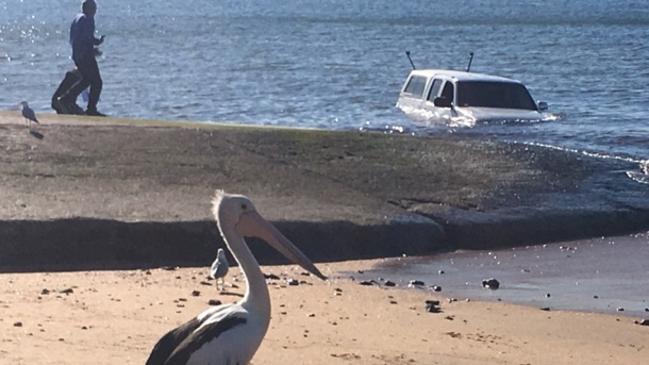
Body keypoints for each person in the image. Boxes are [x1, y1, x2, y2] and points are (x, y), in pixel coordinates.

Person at [54, 0, 106, 116]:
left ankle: (66, 98)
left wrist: (95, 42)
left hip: (77, 55)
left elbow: (78, 37)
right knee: (97, 82)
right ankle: (91, 109)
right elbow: (86, 38)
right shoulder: (88, 19)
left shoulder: (78, 18)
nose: (95, 11)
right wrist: (94, 46)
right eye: (93, 8)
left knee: (87, 80)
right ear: (88, 8)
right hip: (85, 55)